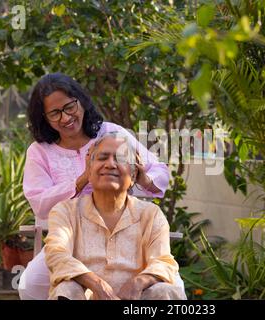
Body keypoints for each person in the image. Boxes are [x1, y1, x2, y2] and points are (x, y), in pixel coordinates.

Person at [18, 73, 182, 299]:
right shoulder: (39, 151)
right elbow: (40, 204)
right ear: (44, 117)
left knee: (174, 288)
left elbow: (160, 171)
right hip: (72, 236)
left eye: (69, 107)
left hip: (127, 234)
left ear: (81, 101)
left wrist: (141, 177)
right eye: (55, 113)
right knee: (30, 283)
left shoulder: (111, 133)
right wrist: (84, 177)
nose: (66, 118)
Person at [45, 132, 185, 300]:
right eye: (103, 158)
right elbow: (57, 254)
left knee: (165, 291)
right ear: (89, 171)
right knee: (66, 289)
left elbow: (163, 261)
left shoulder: (151, 214)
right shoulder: (65, 211)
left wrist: (137, 283)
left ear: (133, 175)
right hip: (85, 296)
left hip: (135, 301)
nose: (110, 164)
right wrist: (97, 285)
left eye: (120, 159)